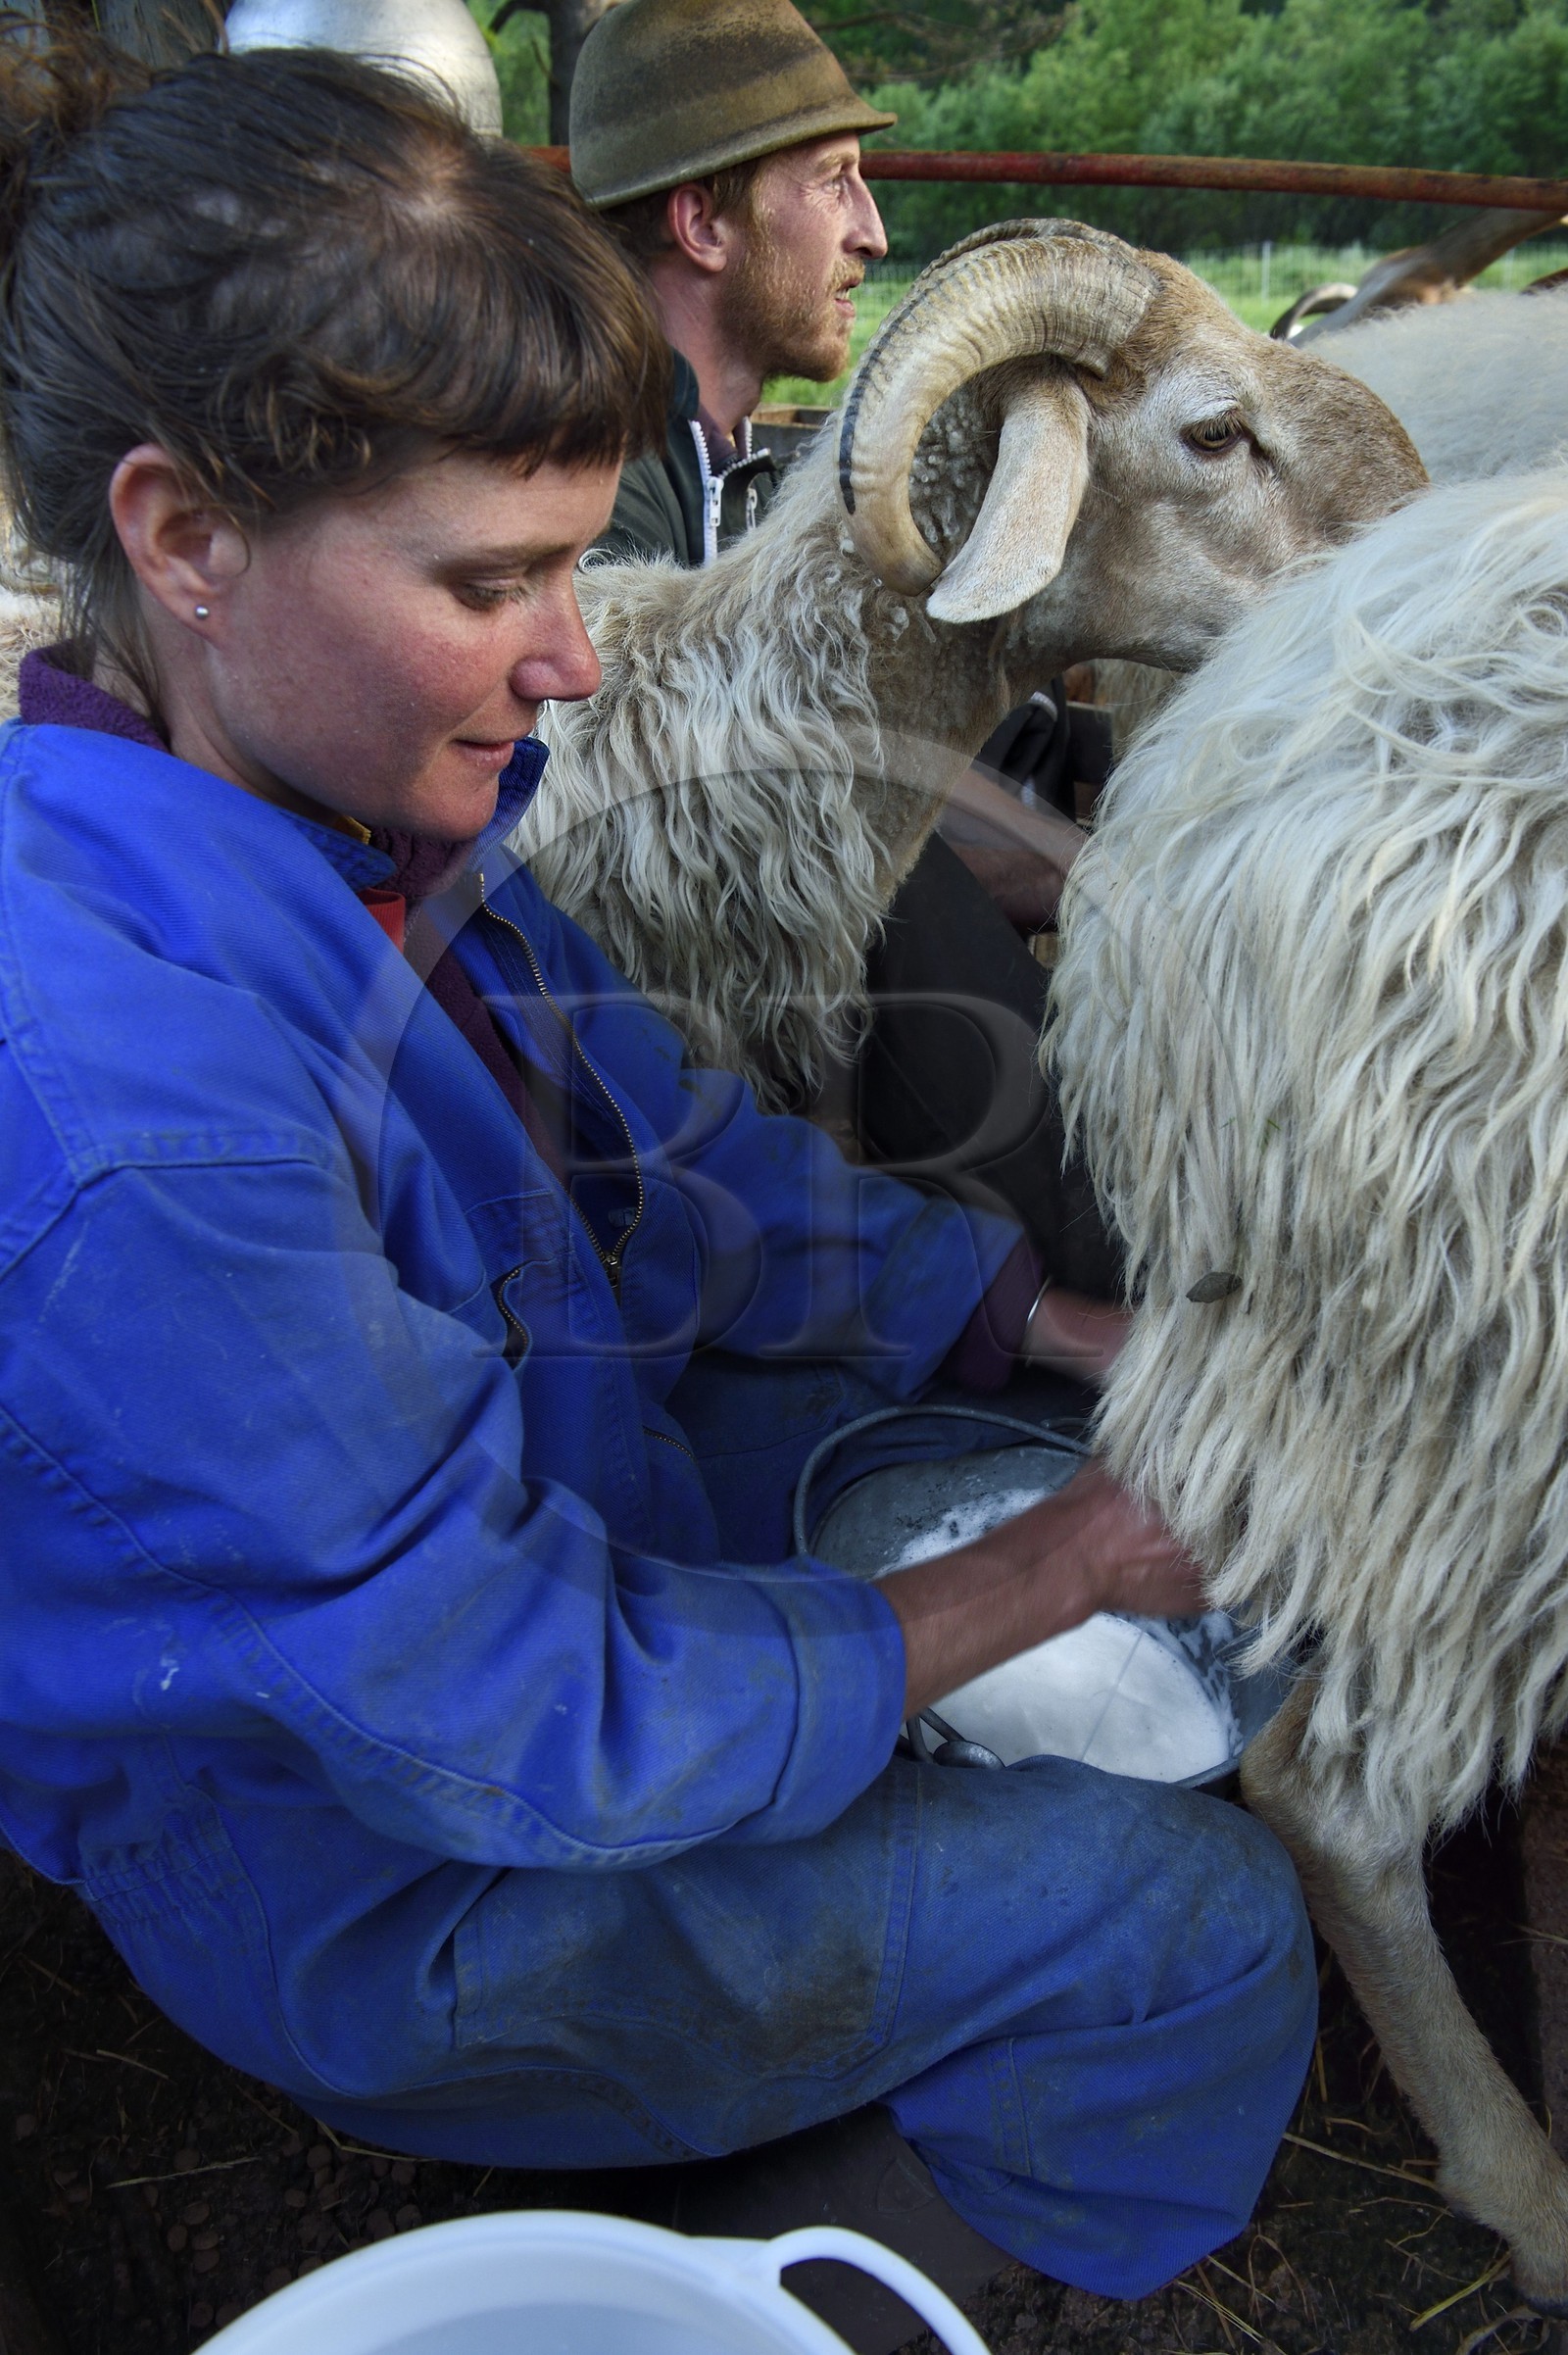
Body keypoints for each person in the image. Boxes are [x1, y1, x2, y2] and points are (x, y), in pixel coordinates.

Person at [0, 29, 1314, 2304]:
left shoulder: (375, 829)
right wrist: (1059, 1569)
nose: (579, 656)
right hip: (383, 1866)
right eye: (494, 575)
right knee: (1187, 1928)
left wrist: (1061, 1322)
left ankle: (822, 1972)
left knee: (1042, 1458)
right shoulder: (132, 1116)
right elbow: (507, 1708)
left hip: (577, 1496)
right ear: (181, 533)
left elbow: (693, 1173)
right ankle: (691, 2279)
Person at [569, 0, 1122, 1296]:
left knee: (1022, 756)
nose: (872, 230)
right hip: (645, 1012)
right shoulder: (592, 474)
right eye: (832, 181)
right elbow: (726, 780)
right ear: (704, 222)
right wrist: (1091, 880)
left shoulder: (738, 476)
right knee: (863, 817)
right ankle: (1103, 1234)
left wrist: (1093, 774)